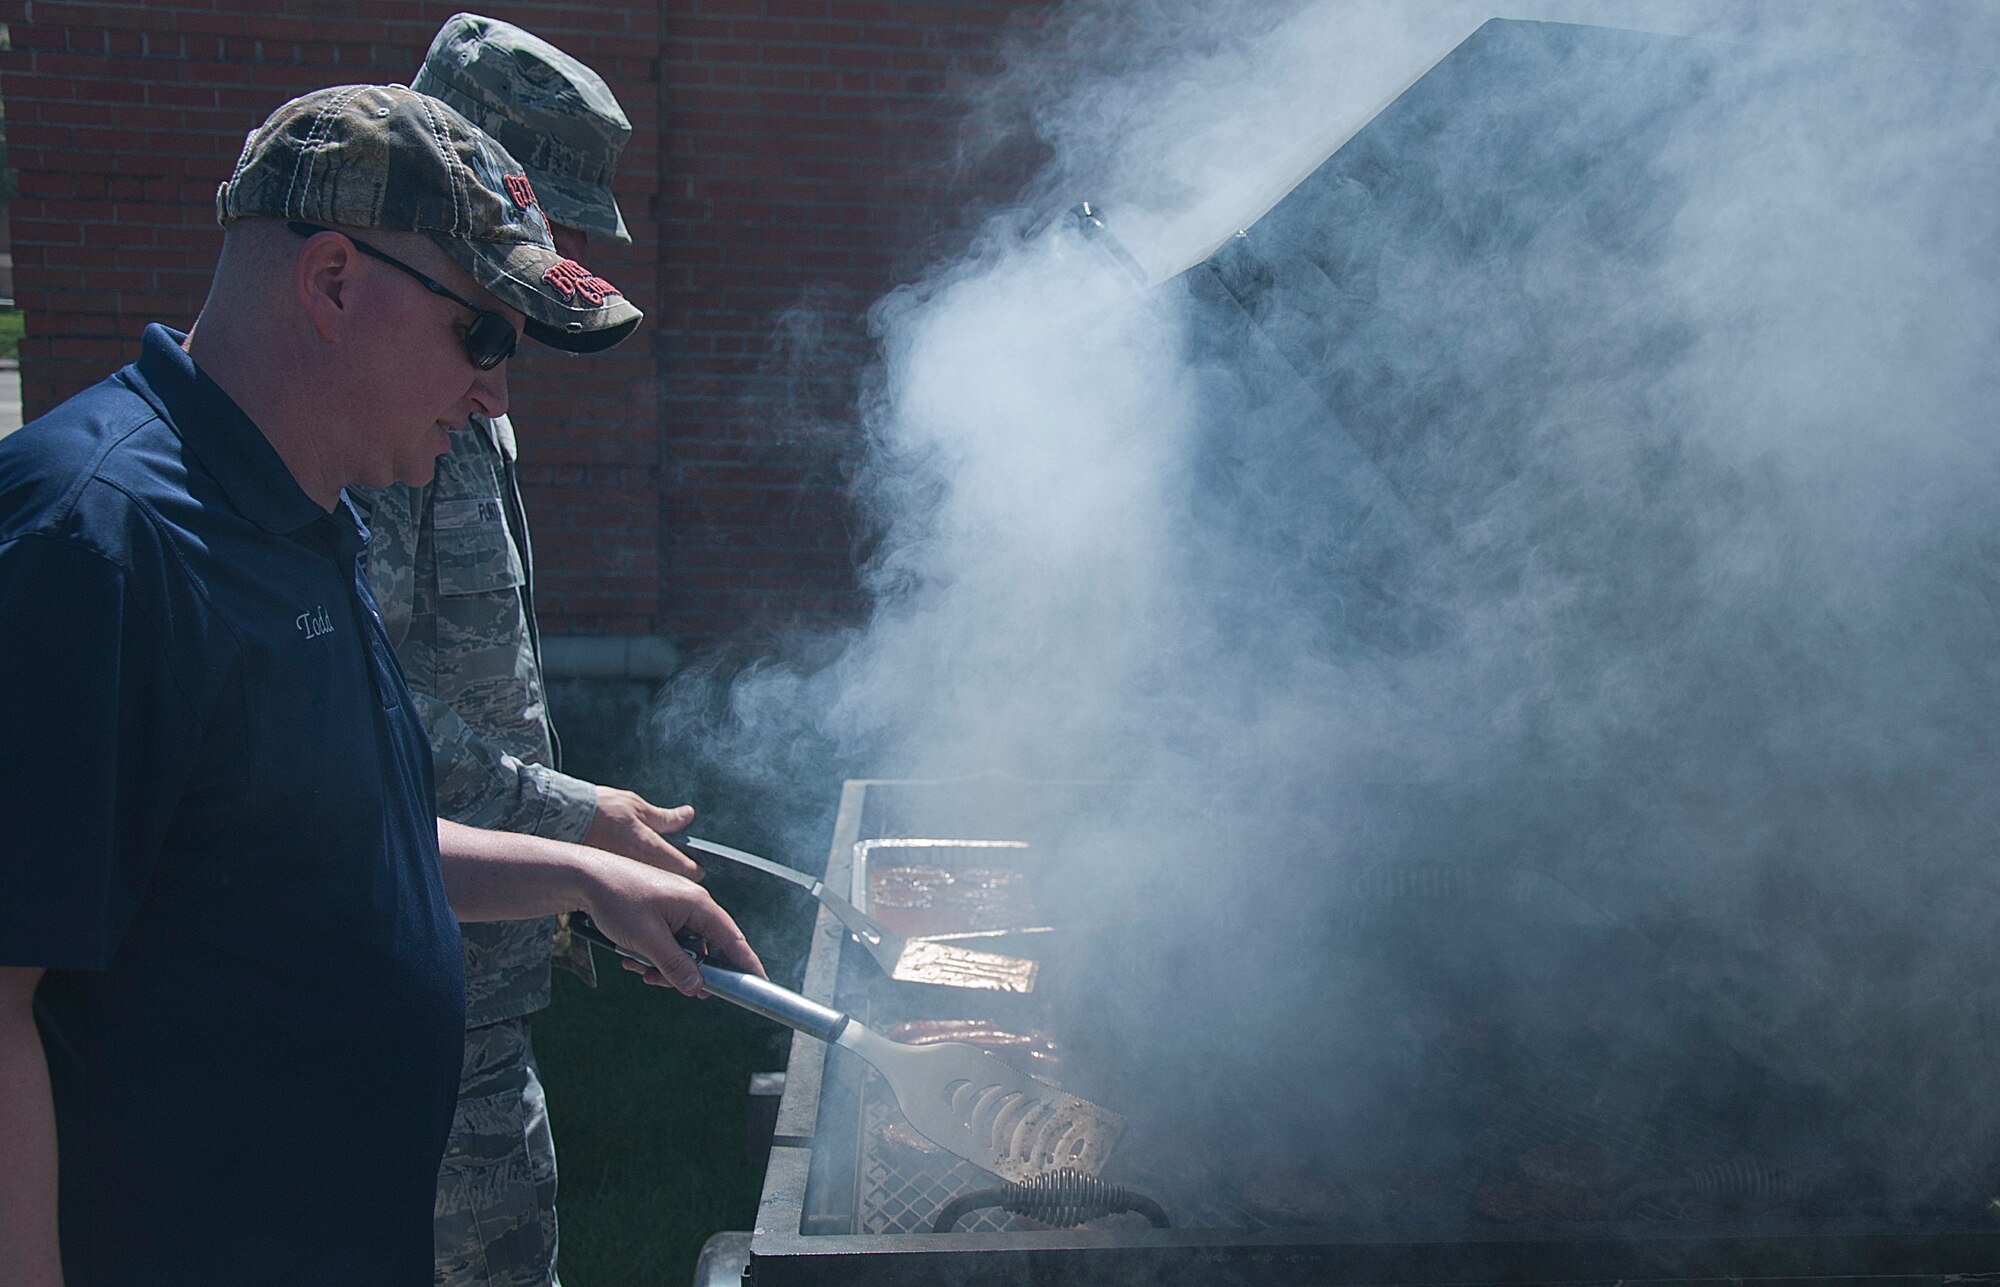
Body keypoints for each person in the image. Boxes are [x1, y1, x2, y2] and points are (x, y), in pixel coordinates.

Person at [0, 83, 762, 1286]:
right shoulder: (94, 541)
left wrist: (574, 871)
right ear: (335, 282)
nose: (497, 392)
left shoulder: (306, 517)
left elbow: (332, 842)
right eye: (484, 334)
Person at [348, 17, 699, 1285]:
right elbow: (362, 720)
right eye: (516, 216)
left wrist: (573, 836)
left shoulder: (465, 388)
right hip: (387, 974)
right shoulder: (355, 416)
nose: (535, 253)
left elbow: (465, 675)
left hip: (484, 971)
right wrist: (577, 832)